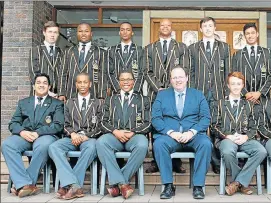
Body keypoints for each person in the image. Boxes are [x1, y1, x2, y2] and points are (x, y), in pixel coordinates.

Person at [152, 66, 212, 199]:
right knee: (159, 144)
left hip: (193, 135)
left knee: (206, 144)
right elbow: (156, 118)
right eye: (174, 77)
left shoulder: (198, 94)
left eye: (180, 77)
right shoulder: (162, 95)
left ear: (186, 78)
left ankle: (198, 186)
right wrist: (171, 132)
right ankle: (168, 185)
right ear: (170, 80)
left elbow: (205, 118)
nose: (177, 80)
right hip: (171, 136)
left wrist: (191, 132)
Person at [2, 73, 64, 198]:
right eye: (38, 82)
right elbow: (13, 123)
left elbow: (58, 125)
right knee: (7, 144)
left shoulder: (56, 103)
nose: (41, 85)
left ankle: (23, 184)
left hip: (46, 136)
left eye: (45, 83)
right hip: (25, 136)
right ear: (34, 86)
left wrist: (38, 133)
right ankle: (25, 184)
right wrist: (22, 132)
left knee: (43, 146)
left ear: (49, 86)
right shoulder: (23, 102)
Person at [96, 70, 151, 199]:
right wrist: (115, 131)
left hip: (134, 136)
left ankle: (118, 183)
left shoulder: (144, 99)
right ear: (118, 82)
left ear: (133, 81)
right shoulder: (110, 100)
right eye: (122, 79)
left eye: (129, 79)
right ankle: (123, 184)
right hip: (115, 136)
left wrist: (133, 132)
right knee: (101, 142)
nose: (126, 81)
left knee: (143, 144)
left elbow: (148, 123)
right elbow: (102, 122)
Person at [143, 18, 188, 173]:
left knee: (175, 122)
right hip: (155, 94)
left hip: (175, 92)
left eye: (168, 25)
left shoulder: (181, 47)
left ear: (171, 28)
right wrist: (159, 88)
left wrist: (169, 89)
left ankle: (176, 162)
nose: (165, 27)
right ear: (159, 28)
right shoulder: (149, 48)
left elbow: (183, 70)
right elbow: (146, 71)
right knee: (157, 126)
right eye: (162, 25)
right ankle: (156, 161)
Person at [48, 73, 103, 200]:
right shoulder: (69, 103)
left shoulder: (98, 103)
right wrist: (72, 134)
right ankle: (74, 184)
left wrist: (86, 136)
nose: (82, 85)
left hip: (89, 139)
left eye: (85, 82)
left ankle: (69, 185)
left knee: (91, 147)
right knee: (53, 147)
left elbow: (101, 126)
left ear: (90, 84)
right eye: (79, 82)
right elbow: (64, 124)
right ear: (76, 84)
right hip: (71, 138)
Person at [212, 72, 267, 195]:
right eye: (233, 84)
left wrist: (246, 136)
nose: (236, 87)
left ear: (243, 86)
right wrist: (227, 136)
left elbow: (254, 127)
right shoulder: (219, 103)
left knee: (261, 151)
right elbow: (214, 126)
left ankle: (236, 183)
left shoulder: (249, 104)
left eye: (238, 84)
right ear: (228, 86)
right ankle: (241, 183)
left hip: (245, 139)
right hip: (226, 139)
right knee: (227, 151)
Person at [188, 16, 231, 174]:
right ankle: (202, 161)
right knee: (199, 127)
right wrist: (193, 91)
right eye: (205, 26)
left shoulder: (224, 47)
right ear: (200, 29)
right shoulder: (193, 48)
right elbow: (190, 72)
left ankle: (216, 161)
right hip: (199, 92)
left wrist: (226, 91)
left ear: (215, 28)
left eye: (210, 26)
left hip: (219, 92)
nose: (207, 28)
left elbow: (228, 72)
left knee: (215, 127)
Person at [59, 23, 107, 101]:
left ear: (91, 34)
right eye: (80, 31)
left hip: (93, 95)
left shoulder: (100, 52)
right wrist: (61, 93)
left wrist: (101, 96)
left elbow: (103, 75)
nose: (83, 34)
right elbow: (62, 73)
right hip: (71, 94)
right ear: (77, 33)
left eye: (86, 31)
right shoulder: (68, 51)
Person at [232, 23, 271, 104]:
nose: (250, 36)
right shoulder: (237, 55)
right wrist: (245, 93)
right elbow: (234, 77)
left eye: (253, 33)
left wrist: (259, 92)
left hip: (263, 99)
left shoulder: (267, 53)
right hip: (244, 99)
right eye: (247, 33)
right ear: (244, 36)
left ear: (257, 34)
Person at [29, 21, 64, 98]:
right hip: (39, 94)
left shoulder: (61, 52)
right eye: (50, 32)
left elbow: (63, 74)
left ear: (58, 34)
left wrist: (61, 93)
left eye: (55, 32)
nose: (52, 35)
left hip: (57, 96)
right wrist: (46, 91)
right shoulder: (36, 50)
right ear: (44, 33)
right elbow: (34, 73)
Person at [107, 22, 144, 94]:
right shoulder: (111, 50)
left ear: (132, 33)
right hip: (116, 92)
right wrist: (118, 89)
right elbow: (109, 72)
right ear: (119, 32)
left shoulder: (139, 50)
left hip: (136, 92)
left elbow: (142, 72)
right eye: (122, 30)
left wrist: (135, 89)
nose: (125, 32)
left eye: (128, 30)